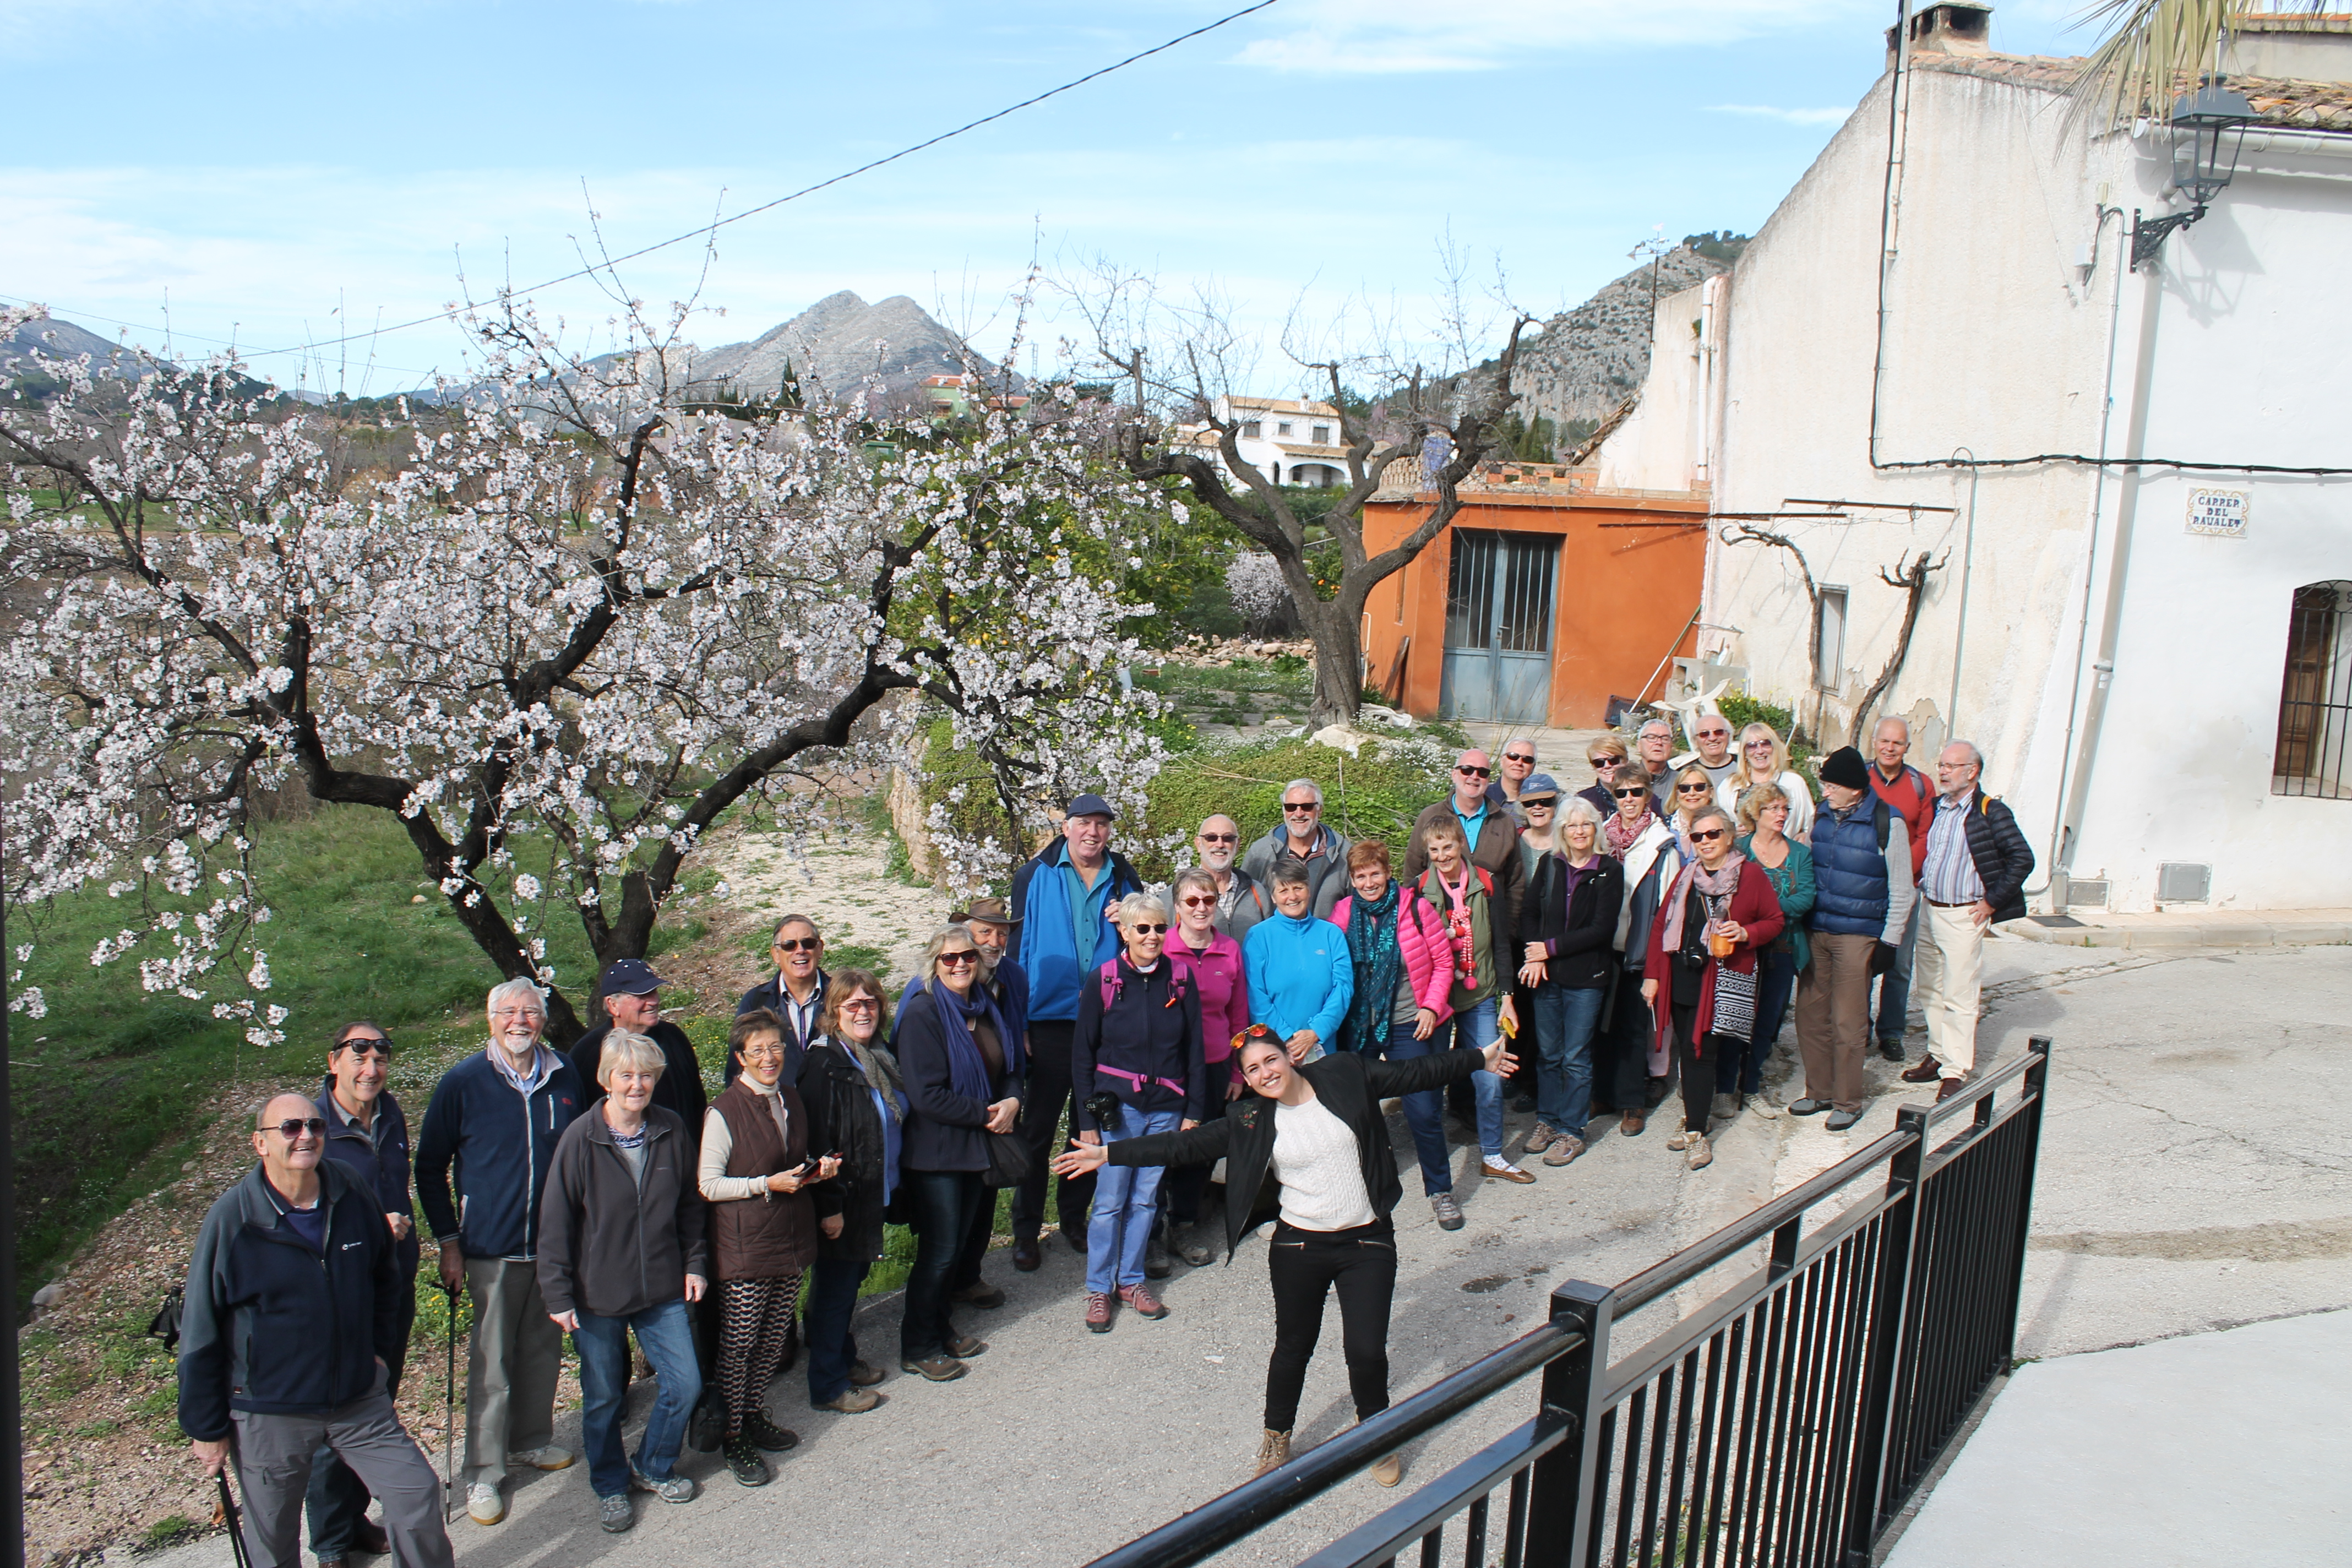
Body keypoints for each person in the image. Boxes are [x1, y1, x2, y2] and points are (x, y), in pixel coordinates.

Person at [1052, 1026, 1520, 1487]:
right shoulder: (1251, 1119)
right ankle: (1276, 1439)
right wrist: (1111, 1155)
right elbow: (1183, 1145)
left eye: (1270, 1060)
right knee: (1294, 1348)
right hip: (1299, 1246)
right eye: (1253, 1070)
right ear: (1249, 1081)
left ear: (1290, 1057)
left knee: (1366, 1351)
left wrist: (1480, 1058)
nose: (1265, 1073)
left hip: (1367, 1241)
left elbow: (1415, 1072)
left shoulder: (1345, 1074)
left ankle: (1378, 1433)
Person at [179, 1094, 456, 1568]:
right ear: (260, 1144)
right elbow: (201, 1328)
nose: (305, 1135)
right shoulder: (233, 1219)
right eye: (289, 1128)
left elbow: (385, 1278)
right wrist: (206, 1427)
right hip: (270, 1410)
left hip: (356, 1398)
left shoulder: (348, 1190)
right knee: (272, 1539)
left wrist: (377, 1354)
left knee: (415, 1494)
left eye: (314, 1125)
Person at [414, 978, 584, 1527]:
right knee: (491, 1366)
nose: (520, 1021)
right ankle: (484, 1471)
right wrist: (449, 1240)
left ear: (543, 1019)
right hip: (489, 1247)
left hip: (553, 1245)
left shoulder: (565, 1075)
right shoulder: (463, 1082)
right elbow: (429, 1166)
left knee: (541, 1349)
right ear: (491, 1019)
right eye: (508, 1012)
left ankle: (530, 1438)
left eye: (530, 1012)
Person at [537, 1030, 709, 1533]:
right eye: (626, 1075)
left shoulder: (671, 1128)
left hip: (661, 1286)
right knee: (605, 1399)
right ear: (605, 1079)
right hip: (598, 1295)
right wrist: (558, 1293)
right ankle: (611, 1486)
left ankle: (653, 1464)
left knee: (686, 1382)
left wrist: (695, 1262)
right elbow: (556, 1223)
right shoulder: (580, 1138)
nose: (637, 1085)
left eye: (646, 1076)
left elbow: (689, 1206)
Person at [698, 1009, 834, 1487]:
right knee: (739, 1344)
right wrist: (764, 1184)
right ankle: (733, 1435)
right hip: (745, 1247)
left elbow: (794, 1165)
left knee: (774, 1340)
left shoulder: (791, 1099)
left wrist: (818, 1171)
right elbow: (709, 1185)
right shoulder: (724, 1110)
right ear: (740, 1058)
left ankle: (754, 1413)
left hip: (791, 1239)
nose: (769, 1057)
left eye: (775, 1047)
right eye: (757, 1050)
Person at [1009, 793, 1142, 1268]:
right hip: (1047, 1021)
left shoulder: (1124, 875)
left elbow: (1143, 937)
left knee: (1092, 1123)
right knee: (1038, 1128)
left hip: (1107, 1021)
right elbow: (1016, 949)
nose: (1093, 832)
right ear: (1066, 827)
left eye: (1102, 825)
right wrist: (1019, 1021)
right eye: (1084, 823)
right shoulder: (1035, 874)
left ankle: (1072, 1217)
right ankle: (1024, 1229)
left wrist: (1128, 914)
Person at [305, 1023, 418, 1568]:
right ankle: (329, 1542)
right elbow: (303, 1210)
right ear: (334, 1062)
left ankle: (352, 1520)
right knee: (341, 1414)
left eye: (380, 1056)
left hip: (390, 1283)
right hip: (342, 1292)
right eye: (358, 1055)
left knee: (376, 1406)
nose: (370, 1067)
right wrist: (377, 1223)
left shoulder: (390, 1114)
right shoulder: (310, 1128)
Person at [1071, 891, 1211, 1331]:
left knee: (1146, 1199)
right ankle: (1099, 1287)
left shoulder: (1182, 979)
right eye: (1143, 928)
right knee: (1110, 1201)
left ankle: (1130, 1281)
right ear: (1124, 931)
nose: (1152, 936)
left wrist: (1193, 1111)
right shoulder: (1105, 980)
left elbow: (1195, 1051)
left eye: (1159, 928)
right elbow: (1082, 1056)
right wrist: (1088, 1123)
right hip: (1120, 1108)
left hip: (1166, 1109)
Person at [895, 924, 1025, 1381]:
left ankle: (940, 1327)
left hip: (975, 1143)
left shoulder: (984, 1007)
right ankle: (918, 1344)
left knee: (962, 1245)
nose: (960, 964)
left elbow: (1009, 1066)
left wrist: (1012, 1100)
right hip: (938, 1154)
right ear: (934, 964)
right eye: (949, 958)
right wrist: (988, 1113)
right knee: (940, 1252)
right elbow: (927, 1095)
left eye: (967, 956)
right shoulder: (922, 1015)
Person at [1641, 805, 1785, 1170]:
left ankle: (1695, 1132)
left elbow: (1775, 920)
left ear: (1729, 836)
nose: (1705, 842)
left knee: (1699, 1052)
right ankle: (1695, 1116)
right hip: (1683, 976)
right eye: (1697, 836)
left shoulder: (1749, 876)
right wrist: (1653, 976)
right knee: (1688, 1052)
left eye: (1713, 834)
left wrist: (1747, 933)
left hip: (1719, 980)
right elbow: (1661, 926)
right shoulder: (1687, 875)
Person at [1326, 840, 1461, 1228]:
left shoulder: (1416, 909)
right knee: (1357, 1112)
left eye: (1375, 873)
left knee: (1422, 1110)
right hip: (1361, 1027)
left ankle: (1440, 1190)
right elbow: (1336, 969)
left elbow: (1442, 963)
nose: (1369, 882)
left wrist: (1431, 1006)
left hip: (1407, 1021)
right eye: (1361, 875)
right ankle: (1364, 1187)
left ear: (1387, 873)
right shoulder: (1343, 914)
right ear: (1352, 880)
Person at [1900, 742, 2035, 1099]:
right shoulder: (1938, 808)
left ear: (1972, 771)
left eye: (1950, 766)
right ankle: (1939, 1054)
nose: (1942, 771)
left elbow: (2023, 859)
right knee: (1930, 988)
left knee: (1959, 995)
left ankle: (1955, 1071)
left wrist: (1991, 902)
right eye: (1940, 764)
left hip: (1963, 914)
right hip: (1930, 909)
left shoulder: (1991, 811)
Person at [797, 971, 905, 1415]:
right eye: (852, 1005)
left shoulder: (875, 1055)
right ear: (834, 1013)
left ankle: (841, 1358)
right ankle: (828, 1385)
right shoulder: (824, 1065)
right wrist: (830, 1206)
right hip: (844, 1197)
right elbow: (817, 1141)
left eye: (871, 1003)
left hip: (871, 1191)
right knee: (835, 1290)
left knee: (847, 1283)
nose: (863, 1011)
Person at [1794, 747, 1917, 1133]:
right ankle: (1819, 1090)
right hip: (1819, 930)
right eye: (1824, 784)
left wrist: (1890, 942)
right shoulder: (1822, 815)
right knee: (1811, 1015)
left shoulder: (1887, 822)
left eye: (1832, 785)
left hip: (1858, 935)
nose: (1826, 790)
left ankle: (1848, 1100)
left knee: (1849, 1022)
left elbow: (1903, 889)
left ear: (1854, 789)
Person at [1412, 815, 1531, 1184]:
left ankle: (1492, 1154)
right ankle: (1432, 1159)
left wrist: (1507, 995)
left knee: (1490, 1076)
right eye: (1434, 850)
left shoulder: (1486, 882)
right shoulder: (1417, 890)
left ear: (1461, 844)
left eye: (1448, 847)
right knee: (1430, 1078)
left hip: (1480, 992)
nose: (1442, 855)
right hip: (1438, 998)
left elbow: (1500, 944)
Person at [1518, 795, 1624, 1169]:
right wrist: (1535, 954)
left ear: (1596, 828)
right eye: (1571, 825)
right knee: (1548, 1056)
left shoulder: (1609, 870)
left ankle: (1572, 1132)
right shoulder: (1550, 864)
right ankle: (1548, 1121)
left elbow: (1601, 929)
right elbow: (1529, 913)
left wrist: (1548, 949)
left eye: (1585, 825)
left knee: (1576, 1058)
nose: (1579, 831)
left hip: (1586, 979)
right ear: (1562, 830)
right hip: (1546, 976)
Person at [1164, 867, 1251, 1264]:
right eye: (1192, 901)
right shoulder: (1160, 947)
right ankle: (1149, 1234)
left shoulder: (1230, 949)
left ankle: (1183, 1227)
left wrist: (1237, 1071)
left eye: (1209, 900)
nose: (1201, 908)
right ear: (1177, 907)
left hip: (1216, 1063)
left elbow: (1238, 1015)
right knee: (1164, 1148)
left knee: (1201, 1151)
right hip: (1170, 1069)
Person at [943, 898, 1026, 1303]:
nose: (994, 942)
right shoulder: (936, 986)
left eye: (1002, 933)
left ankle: (969, 1277)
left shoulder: (1013, 977)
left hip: (997, 1107)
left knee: (985, 1196)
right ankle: (942, 1294)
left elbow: (1016, 1044)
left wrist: (1013, 1099)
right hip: (954, 1114)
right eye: (985, 933)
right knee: (952, 1210)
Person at [1600, 763, 1683, 1135]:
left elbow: (1668, 913)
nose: (1629, 800)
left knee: (1634, 1028)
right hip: (1604, 946)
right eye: (1622, 793)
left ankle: (1632, 1103)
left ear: (1648, 796)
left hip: (1639, 949)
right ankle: (1603, 1094)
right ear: (1613, 796)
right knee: (1602, 1026)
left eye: (1637, 792)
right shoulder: (1602, 836)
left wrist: (1656, 967)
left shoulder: (1662, 845)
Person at [1732, 784, 1815, 1120]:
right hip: (1741, 949)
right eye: (1774, 809)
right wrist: (1759, 917)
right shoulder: (1739, 849)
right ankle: (1726, 1086)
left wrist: (1765, 913)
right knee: (1735, 1017)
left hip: (1782, 948)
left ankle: (1751, 1085)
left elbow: (1806, 898)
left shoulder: (1799, 854)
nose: (1781, 815)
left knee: (1766, 1021)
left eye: (1785, 809)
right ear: (1756, 813)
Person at [569, 959, 709, 1129]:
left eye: (654, 992)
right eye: (642, 996)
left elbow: (697, 1102)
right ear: (612, 1005)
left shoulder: (673, 1038)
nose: (654, 1001)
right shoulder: (588, 1054)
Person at [1866, 718, 1934, 1063]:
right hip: (1865, 885)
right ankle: (1859, 1026)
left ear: (1907, 747)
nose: (1890, 748)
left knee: (1899, 963)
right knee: (1861, 958)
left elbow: (1925, 834)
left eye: (1898, 743)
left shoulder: (1921, 785)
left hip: (1905, 887)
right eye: (1885, 741)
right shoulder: (1859, 779)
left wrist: (1904, 871)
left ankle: (1891, 1033)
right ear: (1874, 741)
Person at [1402, 750, 1528, 938]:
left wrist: (1506, 930)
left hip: (1489, 930)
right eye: (1467, 770)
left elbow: (1515, 882)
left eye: (1482, 772)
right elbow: (1412, 872)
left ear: (1488, 779)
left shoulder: (1504, 822)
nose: (1474, 777)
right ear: (1454, 774)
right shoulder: (1430, 817)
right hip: (1436, 930)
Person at [1243, 864, 1355, 1064]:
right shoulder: (1258, 937)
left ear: (1309, 890)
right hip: (1278, 1050)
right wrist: (1287, 1038)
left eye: (1298, 888)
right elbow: (1256, 997)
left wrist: (1316, 1032)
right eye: (1283, 890)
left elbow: (1343, 989)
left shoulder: (1331, 934)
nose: (1292, 897)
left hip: (1324, 1048)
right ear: (1273, 897)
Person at [736, 914, 831, 1079]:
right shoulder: (755, 1002)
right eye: (789, 945)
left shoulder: (842, 997)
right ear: (776, 954)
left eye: (808, 943)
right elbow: (737, 1068)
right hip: (775, 1103)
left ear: (820, 949)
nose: (800, 951)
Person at [1241, 778, 1350, 919]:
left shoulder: (1344, 855)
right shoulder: (1261, 853)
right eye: (1291, 807)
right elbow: (1245, 901)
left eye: (1307, 807)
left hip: (1327, 940)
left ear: (1320, 810)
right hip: (1274, 940)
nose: (1298, 814)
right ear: (1284, 811)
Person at [1724, 723, 1815, 841]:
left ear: (1774, 748)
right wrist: (1732, 832)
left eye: (1765, 744)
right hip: (1741, 856)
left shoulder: (1794, 783)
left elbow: (1811, 823)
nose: (1760, 751)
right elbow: (1720, 827)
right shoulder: (1729, 786)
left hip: (1784, 854)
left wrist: (1805, 836)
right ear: (1744, 753)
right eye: (1752, 746)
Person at [1193, 814, 1273, 939]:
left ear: (1237, 845)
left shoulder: (1256, 892)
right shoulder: (1177, 895)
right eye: (1211, 838)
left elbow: (1271, 939)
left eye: (1228, 838)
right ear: (1198, 844)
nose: (1220, 844)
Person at [1671, 711, 1739, 794]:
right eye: (1704, 734)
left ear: (1729, 736)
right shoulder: (1683, 773)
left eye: (1719, 732)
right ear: (1695, 741)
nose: (1712, 738)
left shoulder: (1746, 765)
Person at [1665, 765, 1718, 862]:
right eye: (1685, 788)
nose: (1692, 793)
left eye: (1699, 787)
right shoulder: (1664, 827)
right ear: (1677, 794)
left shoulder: (1722, 826)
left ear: (1711, 792)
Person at [1575, 737, 1630, 824]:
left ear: (1625, 761)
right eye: (1599, 763)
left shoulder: (1645, 796)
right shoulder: (1583, 801)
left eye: (1613, 760)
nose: (1607, 766)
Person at [1634, 718, 1679, 814]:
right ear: (1639, 746)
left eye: (1665, 739)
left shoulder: (1681, 782)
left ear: (1671, 747)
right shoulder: (1626, 780)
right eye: (1651, 737)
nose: (1659, 742)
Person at [1489, 737, 1539, 821]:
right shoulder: (1484, 798)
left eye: (1527, 759)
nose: (1519, 763)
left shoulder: (1540, 803)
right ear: (1502, 761)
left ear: (1533, 766)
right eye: (1513, 756)